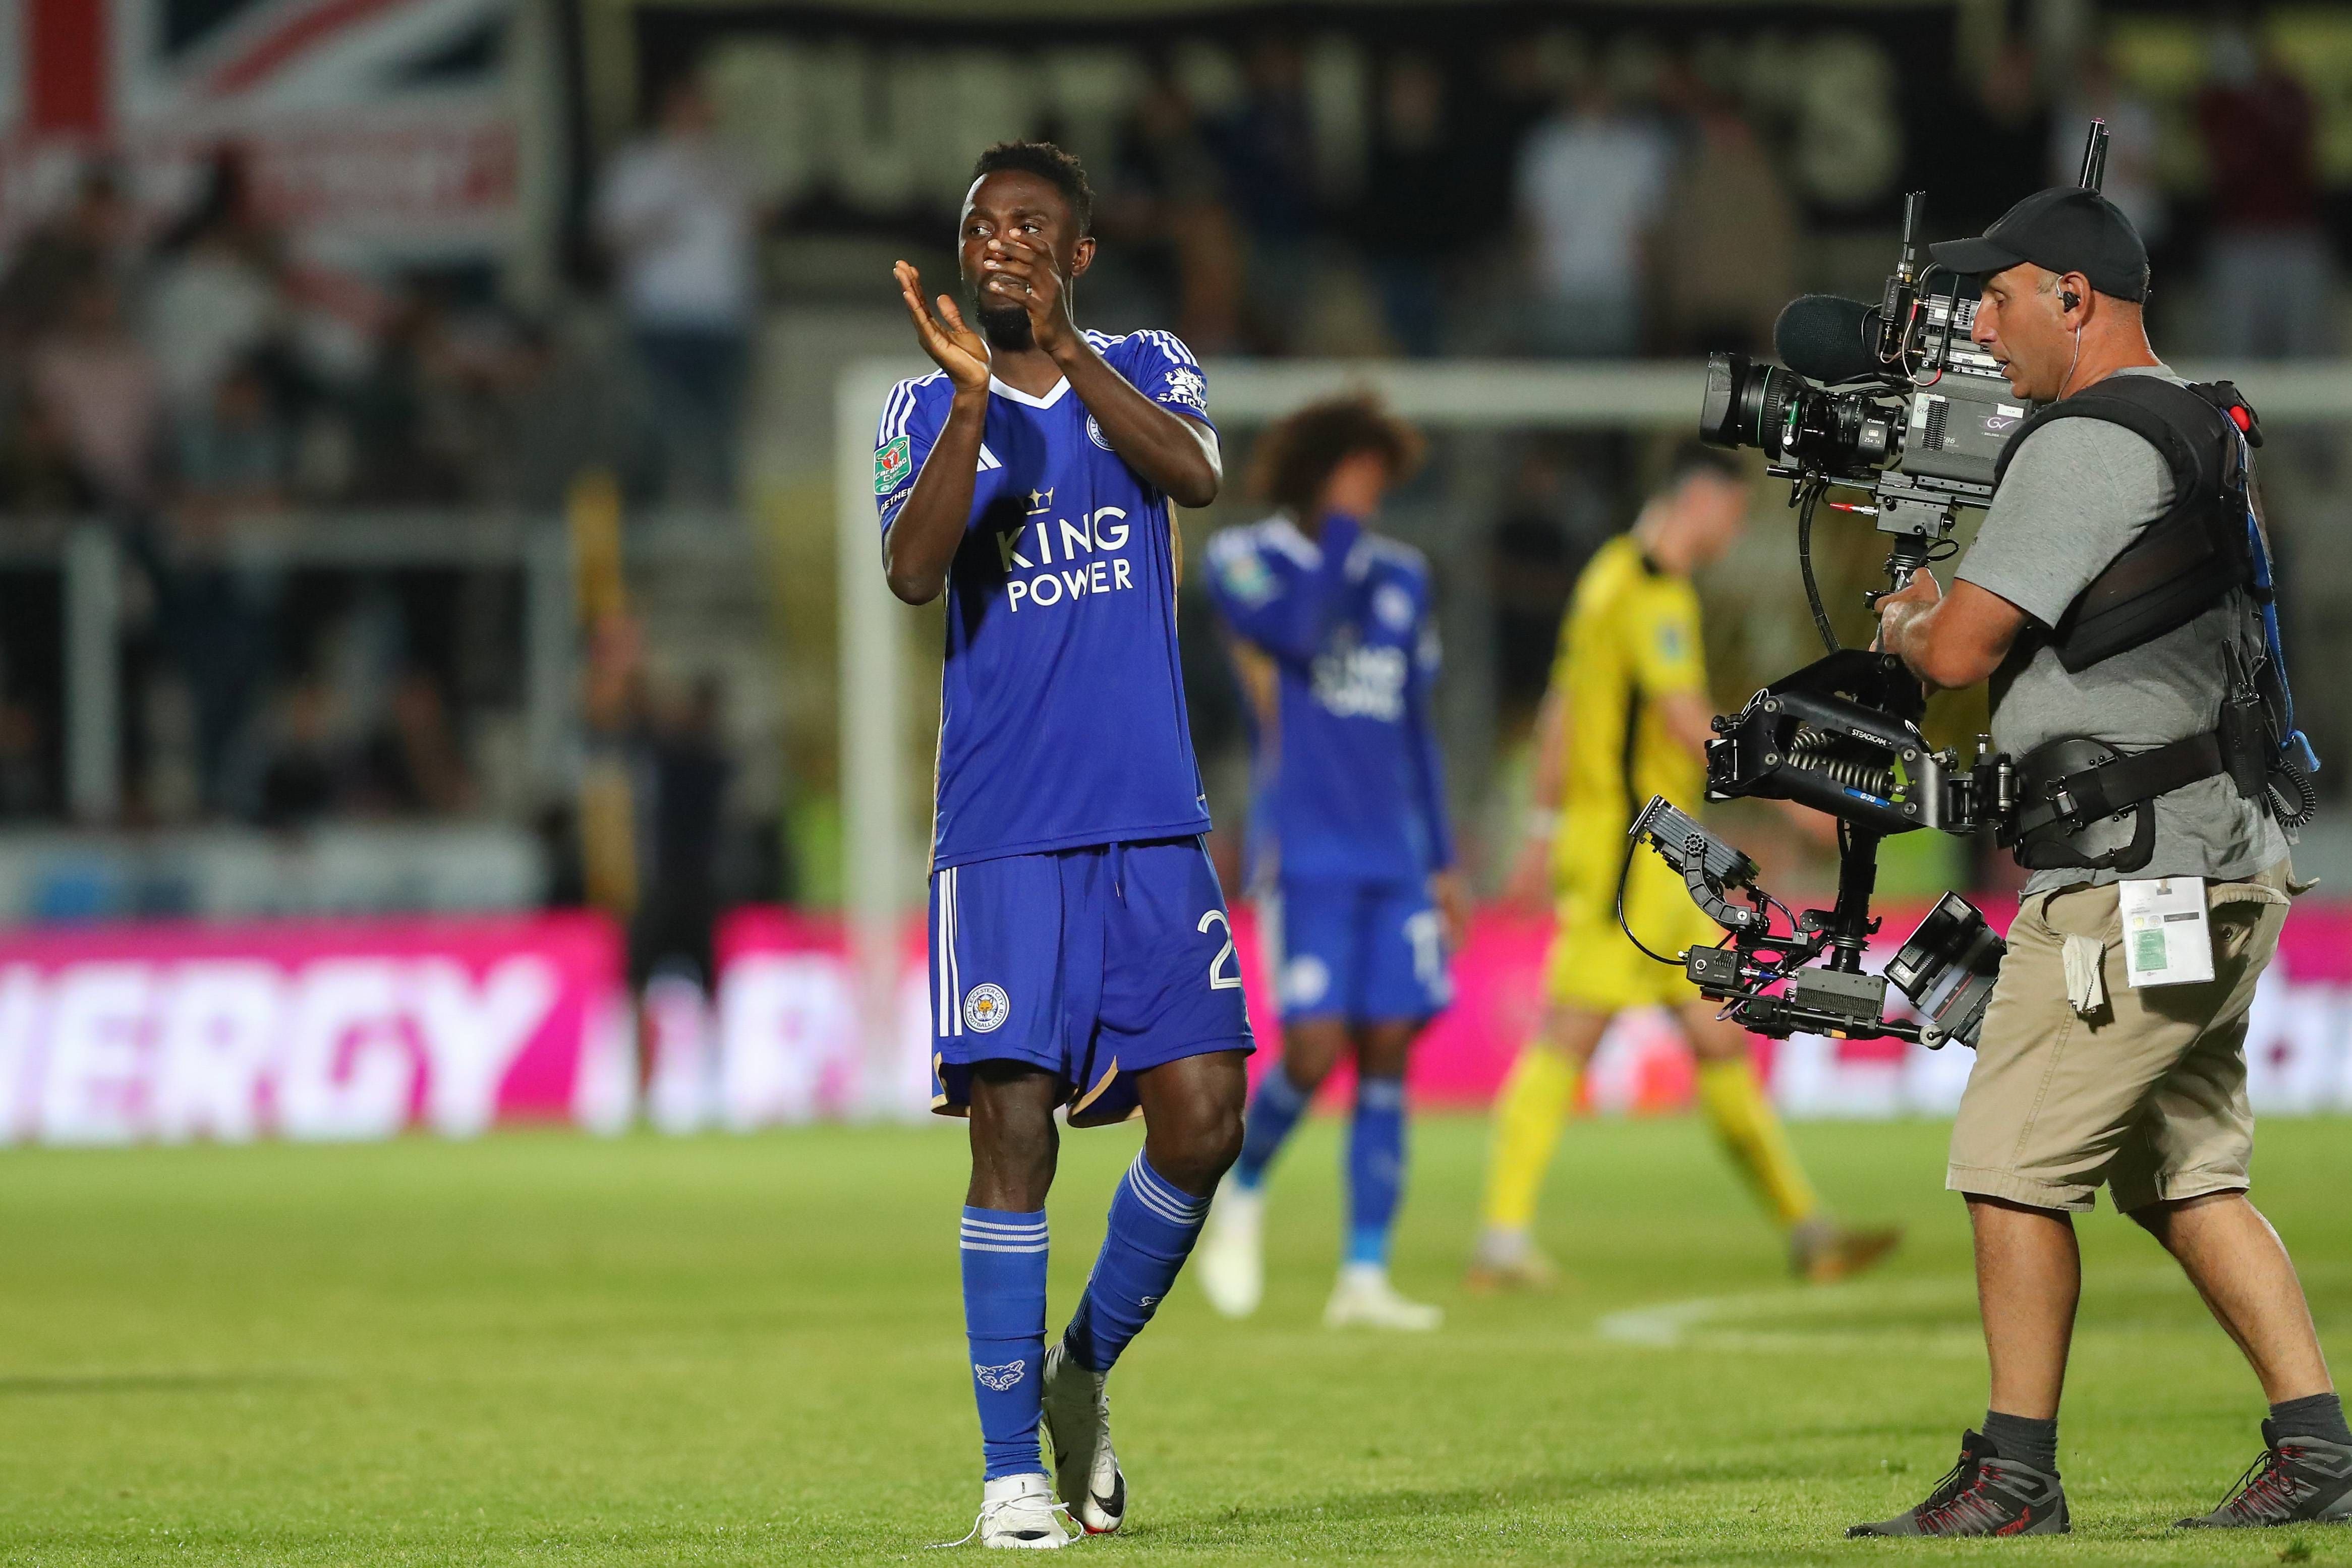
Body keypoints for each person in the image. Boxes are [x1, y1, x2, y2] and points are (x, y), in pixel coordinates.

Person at [1857, 185, 2344, 1536]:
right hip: (2215, 864)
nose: (1975, 321)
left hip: (2129, 880)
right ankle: (2314, 1445)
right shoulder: (2195, 418)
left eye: (1995, 292)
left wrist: (1908, 619)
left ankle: (2012, 1472)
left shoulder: (2082, 443)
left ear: (2072, 296)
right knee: (2185, 1172)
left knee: (2006, 1161)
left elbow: (1957, 652)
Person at [879, 142, 1250, 1550]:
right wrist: (979, 394)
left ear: (1079, 251)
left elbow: (1194, 476)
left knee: (1205, 1117)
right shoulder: (921, 403)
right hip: (1004, 836)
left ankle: (1077, 1374)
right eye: (982, 225)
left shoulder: (1146, 361)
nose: (1004, 244)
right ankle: (1006, 1474)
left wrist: (1061, 354)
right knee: (1012, 1133)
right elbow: (915, 570)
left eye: (1032, 226)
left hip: (1150, 818)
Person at [1468, 443, 1901, 1293]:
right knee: (1571, 1029)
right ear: (1697, 502)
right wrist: (1786, 798)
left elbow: (1562, 705)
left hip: (1650, 850)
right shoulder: (1650, 594)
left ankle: (1808, 1230)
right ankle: (1498, 1236)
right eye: (1731, 515)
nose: (1732, 533)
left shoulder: (1605, 579)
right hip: (1626, 857)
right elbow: (1676, 718)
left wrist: (1539, 823)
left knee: (1715, 1035)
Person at [1192, 395, 1462, 1331]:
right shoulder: (1244, 560)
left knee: (1388, 1039)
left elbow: (1414, 724)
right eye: (1354, 474)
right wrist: (1339, 529)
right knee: (1311, 1048)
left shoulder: (1404, 576)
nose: (1369, 494)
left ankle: (1364, 1273)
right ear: (1316, 473)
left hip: (1393, 849)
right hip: (1303, 845)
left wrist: (1443, 857)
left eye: (1377, 479)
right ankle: (1245, 1187)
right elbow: (1301, 637)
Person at [597, 71, 760, 501]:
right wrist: (661, 220)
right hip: (659, 318)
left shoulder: (730, 163)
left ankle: (717, 523)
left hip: (723, 320)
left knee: (720, 429)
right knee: (653, 430)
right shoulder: (639, 164)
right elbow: (608, 238)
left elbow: (760, 221)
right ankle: (648, 526)